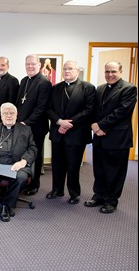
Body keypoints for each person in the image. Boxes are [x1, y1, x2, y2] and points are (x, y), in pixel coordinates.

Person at [85, 61, 137, 214]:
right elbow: (94, 110)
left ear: (121, 71)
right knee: (99, 169)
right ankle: (99, 196)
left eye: (113, 71)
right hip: (100, 137)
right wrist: (94, 125)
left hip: (117, 138)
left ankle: (111, 201)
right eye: (107, 71)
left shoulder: (129, 89)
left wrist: (99, 126)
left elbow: (122, 112)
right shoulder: (100, 88)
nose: (110, 75)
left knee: (114, 171)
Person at [47, 60, 96, 204]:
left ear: (78, 71)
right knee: (57, 164)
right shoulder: (55, 88)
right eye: (64, 69)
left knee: (73, 165)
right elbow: (48, 109)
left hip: (76, 134)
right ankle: (57, 189)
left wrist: (68, 124)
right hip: (57, 132)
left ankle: (74, 193)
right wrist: (59, 122)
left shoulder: (87, 88)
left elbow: (88, 110)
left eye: (70, 69)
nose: (67, 71)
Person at [0, 102, 37, 222]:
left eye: (12, 113)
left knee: (21, 177)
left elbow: (33, 148)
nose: (9, 116)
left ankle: (6, 204)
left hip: (15, 164)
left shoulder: (26, 130)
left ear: (16, 115)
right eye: (6, 113)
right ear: (1, 115)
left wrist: (23, 161)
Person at [15, 54, 52, 196]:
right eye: (27, 64)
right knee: (21, 154)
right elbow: (20, 103)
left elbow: (41, 107)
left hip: (36, 126)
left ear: (39, 65)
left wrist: (27, 122)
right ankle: (24, 181)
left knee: (35, 155)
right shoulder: (24, 81)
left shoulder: (44, 82)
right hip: (21, 126)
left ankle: (35, 184)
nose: (29, 67)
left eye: (32, 64)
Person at [0, 56, 19, 123]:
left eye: (3, 65)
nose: (0, 67)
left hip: (5, 118)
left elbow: (12, 102)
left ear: (8, 66)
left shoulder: (13, 80)